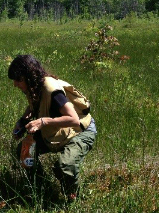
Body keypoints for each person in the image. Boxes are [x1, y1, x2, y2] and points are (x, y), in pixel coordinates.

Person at [8, 55, 96, 201]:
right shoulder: (34, 87)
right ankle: (41, 189)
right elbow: (34, 106)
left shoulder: (51, 90)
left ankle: (72, 197)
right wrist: (22, 122)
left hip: (80, 131)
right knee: (24, 152)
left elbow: (73, 119)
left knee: (65, 166)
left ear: (28, 76)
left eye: (18, 80)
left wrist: (42, 122)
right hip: (58, 131)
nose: (15, 84)